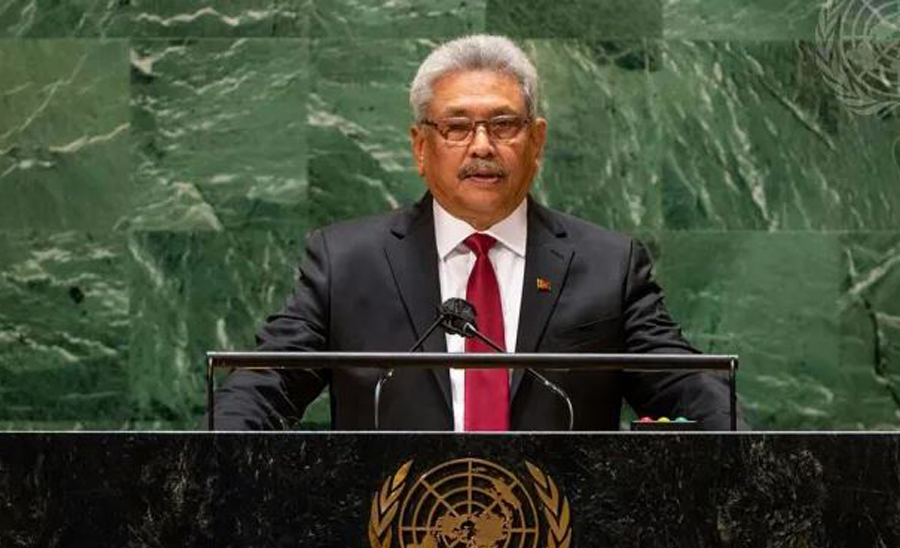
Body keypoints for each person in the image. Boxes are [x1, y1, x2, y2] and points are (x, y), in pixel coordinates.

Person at [212, 35, 740, 431]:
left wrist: (758, 451)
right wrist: (205, 460)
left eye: (504, 125)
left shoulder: (608, 266)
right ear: (421, 147)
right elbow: (267, 383)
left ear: (536, 142)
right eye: (457, 127)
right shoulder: (348, 261)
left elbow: (688, 387)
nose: (482, 146)